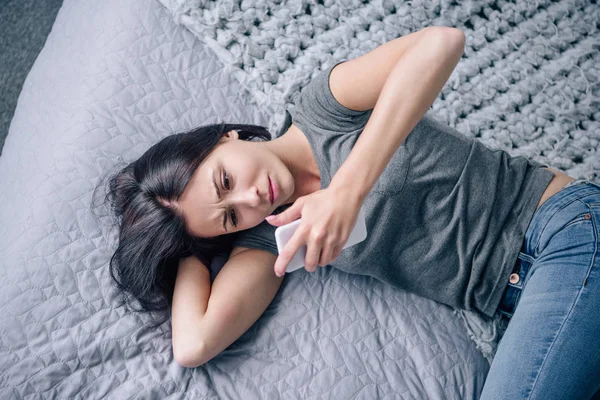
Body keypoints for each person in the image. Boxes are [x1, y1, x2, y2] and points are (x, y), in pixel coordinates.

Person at [103, 27, 600, 397]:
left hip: (561, 232)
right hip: (516, 304)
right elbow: (194, 345)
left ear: (223, 137)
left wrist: (347, 190)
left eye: (225, 180)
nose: (251, 199)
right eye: (230, 216)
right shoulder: (269, 239)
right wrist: (186, 241)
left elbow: (441, 44)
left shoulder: (322, 108)